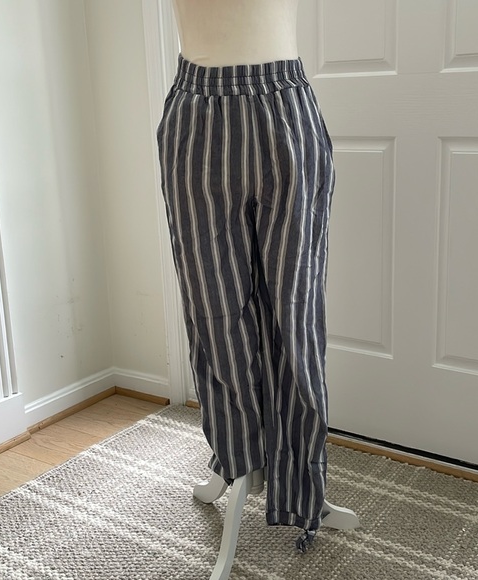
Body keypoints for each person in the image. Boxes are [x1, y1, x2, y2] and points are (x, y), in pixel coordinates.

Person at [157, 0, 335, 553]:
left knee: (295, 311)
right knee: (214, 307)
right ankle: (237, 461)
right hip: (197, 116)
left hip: (288, 112)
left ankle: (300, 483)